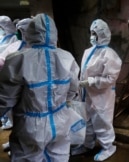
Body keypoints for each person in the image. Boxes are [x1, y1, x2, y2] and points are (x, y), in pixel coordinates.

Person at [0, 13, 82, 161]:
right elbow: (72, 90)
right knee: (59, 157)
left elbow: (5, 99)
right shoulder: (67, 57)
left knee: (28, 157)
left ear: (30, 33)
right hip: (60, 122)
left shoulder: (18, 59)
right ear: (54, 34)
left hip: (30, 127)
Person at [75, 19, 122, 161]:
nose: (92, 35)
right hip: (87, 94)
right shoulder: (88, 51)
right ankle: (87, 144)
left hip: (102, 96)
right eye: (91, 32)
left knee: (102, 121)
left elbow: (110, 78)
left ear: (102, 34)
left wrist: (91, 81)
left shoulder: (110, 55)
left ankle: (108, 147)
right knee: (87, 121)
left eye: (95, 33)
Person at [1, 17, 32, 155]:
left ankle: (24, 145)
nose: (18, 33)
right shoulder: (15, 45)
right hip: (14, 87)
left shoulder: (34, 47)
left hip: (29, 89)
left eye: (21, 30)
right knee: (15, 116)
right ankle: (16, 141)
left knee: (28, 119)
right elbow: (3, 59)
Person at [0, 16, 18, 130]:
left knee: (11, 98)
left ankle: (12, 122)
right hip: (3, 70)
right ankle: (6, 120)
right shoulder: (3, 38)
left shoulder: (14, 39)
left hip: (9, 71)